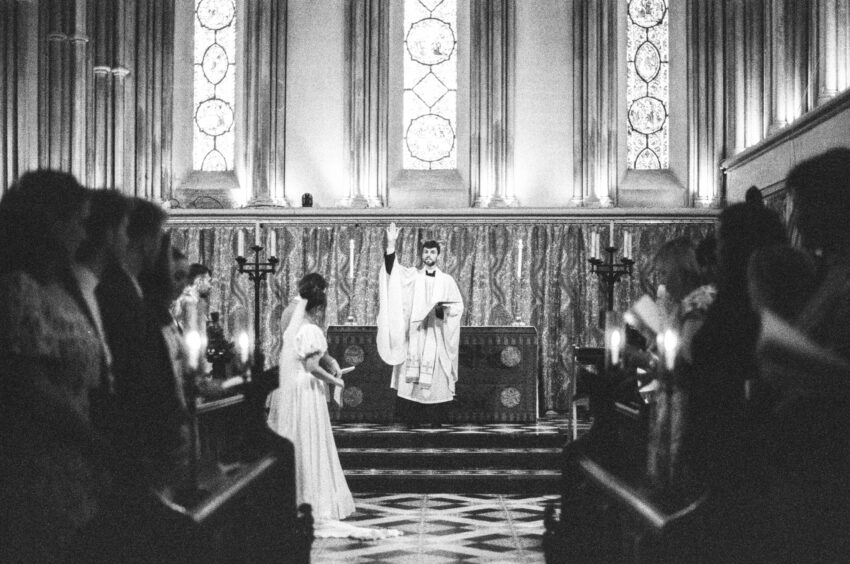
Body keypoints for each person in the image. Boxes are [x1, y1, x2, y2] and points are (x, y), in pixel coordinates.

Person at [0, 170, 113, 562]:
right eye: (79, 222)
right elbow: (30, 386)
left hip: (75, 462)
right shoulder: (18, 287)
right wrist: (93, 440)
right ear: (50, 222)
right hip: (41, 463)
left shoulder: (57, 289)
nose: (84, 234)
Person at [267, 273, 401, 540]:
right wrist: (336, 381)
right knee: (310, 440)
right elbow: (311, 364)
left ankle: (295, 495)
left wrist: (329, 361)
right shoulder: (310, 327)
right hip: (307, 390)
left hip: (292, 386)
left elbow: (304, 352)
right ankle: (313, 497)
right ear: (318, 304)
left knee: (298, 439)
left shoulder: (295, 318)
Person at [377, 223, 464, 427]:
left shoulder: (447, 280)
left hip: (436, 334)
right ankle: (410, 418)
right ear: (422, 254)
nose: (428, 255)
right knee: (411, 376)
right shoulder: (413, 275)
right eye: (426, 251)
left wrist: (441, 310)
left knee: (437, 377)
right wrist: (391, 245)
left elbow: (457, 307)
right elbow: (393, 273)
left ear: (438, 255)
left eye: (432, 252)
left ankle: (436, 419)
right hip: (415, 335)